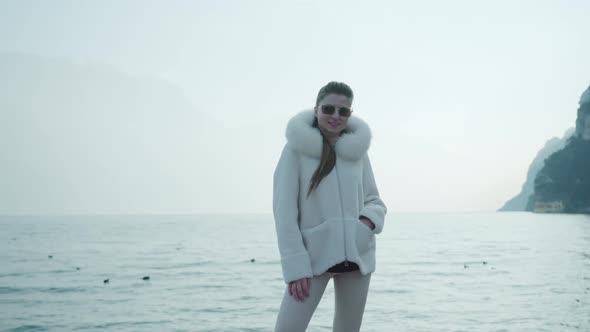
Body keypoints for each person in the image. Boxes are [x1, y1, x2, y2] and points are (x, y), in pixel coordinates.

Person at [273, 81, 387, 331]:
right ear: (316, 110)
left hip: (358, 259)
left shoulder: (358, 152)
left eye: (343, 111)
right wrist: (295, 266)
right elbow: (284, 212)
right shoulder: (295, 150)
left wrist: (366, 224)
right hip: (312, 260)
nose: (335, 116)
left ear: (350, 114)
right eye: (329, 109)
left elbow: (374, 200)